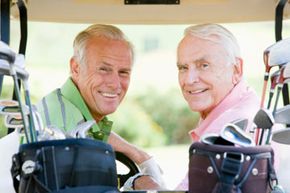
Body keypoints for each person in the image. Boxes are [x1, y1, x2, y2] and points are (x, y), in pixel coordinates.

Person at [36, 24, 164, 190]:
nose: (115, 84)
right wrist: (135, 185)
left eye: (123, 72)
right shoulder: (60, 127)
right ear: (76, 68)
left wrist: (138, 155)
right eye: (104, 69)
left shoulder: (70, 109)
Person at [175, 23, 260, 190]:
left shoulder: (229, 127)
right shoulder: (249, 100)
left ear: (237, 70)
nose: (189, 80)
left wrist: (142, 168)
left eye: (203, 65)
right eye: (183, 68)